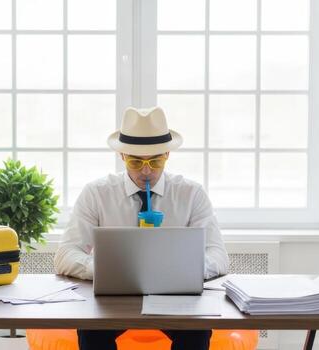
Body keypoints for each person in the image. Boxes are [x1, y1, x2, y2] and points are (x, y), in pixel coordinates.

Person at [54, 106, 230, 350]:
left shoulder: (191, 194)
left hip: (175, 297)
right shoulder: (96, 193)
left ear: (167, 154)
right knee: (91, 330)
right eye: (136, 162)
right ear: (122, 156)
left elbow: (218, 254)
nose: (146, 171)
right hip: (113, 298)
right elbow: (65, 254)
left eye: (155, 161)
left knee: (196, 332)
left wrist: (186, 272)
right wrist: (104, 271)